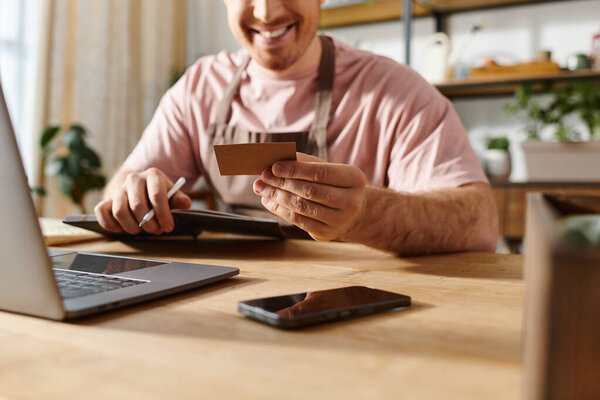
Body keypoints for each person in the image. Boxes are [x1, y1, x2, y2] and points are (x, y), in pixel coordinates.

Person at [94, 0, 498, 255]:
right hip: (230, 293)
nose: (267, 11)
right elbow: (124, 186)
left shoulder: (395, 91)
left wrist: (367, 214)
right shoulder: (199, 86)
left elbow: (479, 223)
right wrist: (132, 196)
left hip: (355, 299)